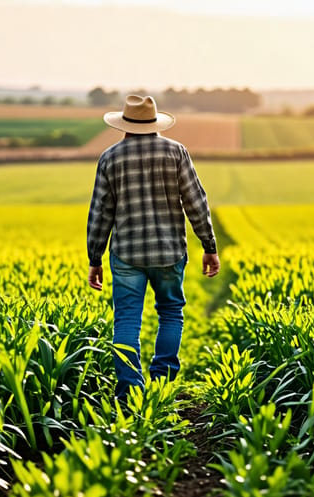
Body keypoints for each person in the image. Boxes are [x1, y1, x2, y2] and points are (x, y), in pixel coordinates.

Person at [86, 95, 220, 400]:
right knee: (171, 312)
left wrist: (95, 257)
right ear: (154, 122)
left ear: (124, 124)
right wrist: (209, 245)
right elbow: (196, 202)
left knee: (127, 319)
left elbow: (100, 211)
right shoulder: (176, 152)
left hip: (127, 254)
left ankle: (130, 390)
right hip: (169, 251)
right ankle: (162, 381)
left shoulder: (110, 157)